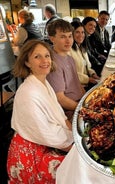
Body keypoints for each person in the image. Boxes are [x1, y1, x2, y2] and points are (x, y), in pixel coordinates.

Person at [7, 40, 73, 183]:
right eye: (37, 57)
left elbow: (60, 116)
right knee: (76, 169)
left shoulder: (43, 83)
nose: (45, 61)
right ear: (27, 62)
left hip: (45, 143)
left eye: (47, 56)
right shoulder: (28, 92)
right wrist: (76, 148)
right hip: (30, 155)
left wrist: (75, 135)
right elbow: (45, 132)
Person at [46, 19, 85, 121]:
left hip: (80, 102)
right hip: (70, 112)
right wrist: (83, 109)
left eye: (70, 36)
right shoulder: (53, 63)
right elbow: (60, 99)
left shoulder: (70, 58)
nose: (68, 41)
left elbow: (78, 85)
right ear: (52, 38)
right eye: (63, 37)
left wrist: (88, 100)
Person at [69, 21, 100, 91]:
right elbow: (71, 74)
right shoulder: (69, 50)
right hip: (78, 86)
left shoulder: (82, 48)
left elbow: (88, 66)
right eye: (77, 32)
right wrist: (88, 79)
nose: (81, 35)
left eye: (82, 32)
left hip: (87, 83)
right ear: (71, 34)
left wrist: (93, 74)